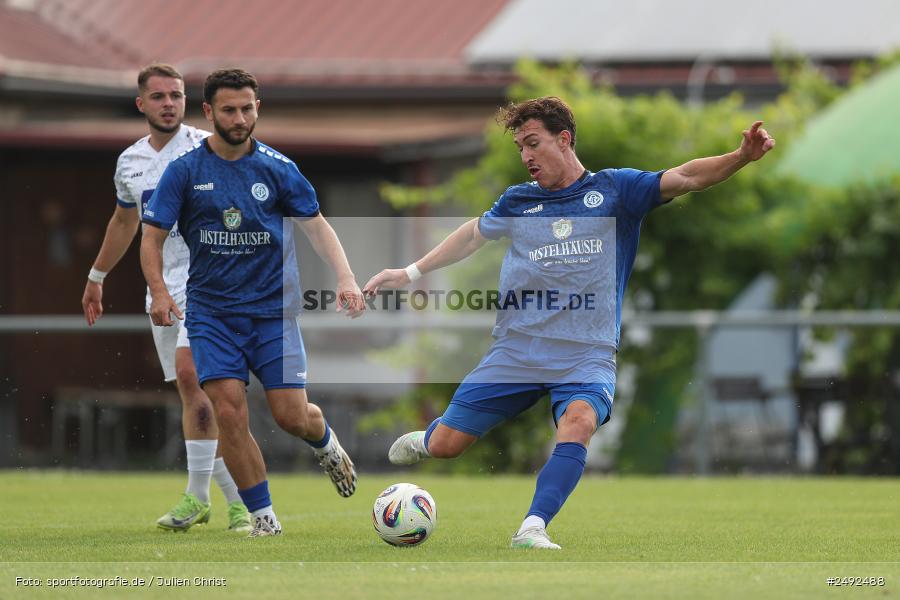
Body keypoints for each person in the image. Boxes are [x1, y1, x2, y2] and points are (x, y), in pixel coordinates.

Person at [364, 96, 775, 549]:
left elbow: (687, 176)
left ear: (564, 140)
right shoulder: (519, 202)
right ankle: (428, 438)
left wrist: (739, 158)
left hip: (586, 351)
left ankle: (532, 526)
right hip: (518, 349)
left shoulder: (616, 191)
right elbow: (471, 236)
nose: (526, 156)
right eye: (521, 147)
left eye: (533, 143)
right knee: (446, 447)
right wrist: (410, 273)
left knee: (578, 421)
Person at [140, 68, 364, 538]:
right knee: (228, 411)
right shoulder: (185, 171)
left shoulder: (278, 169)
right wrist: (159, 291)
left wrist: (346, 278)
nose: (239, 118)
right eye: (228, 110)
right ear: (208, 112)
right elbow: (151, 236)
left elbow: (317, 227)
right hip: (211, 315)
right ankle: (264, 518)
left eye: (247, 108)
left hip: (273, 315)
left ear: (257, 108)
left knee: (290, 416)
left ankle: (324, 442)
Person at [81, 63, 252, 533]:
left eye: (176, 95)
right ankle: (226, 500)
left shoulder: (205, 147)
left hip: (211, 284)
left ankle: (213, 499)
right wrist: (97, 275)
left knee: (192, 376)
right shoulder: (131, 162)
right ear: (142, 104)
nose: (168, 103)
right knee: (192, 395)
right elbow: (124, 223)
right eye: (158, 97)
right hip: (161, 285)